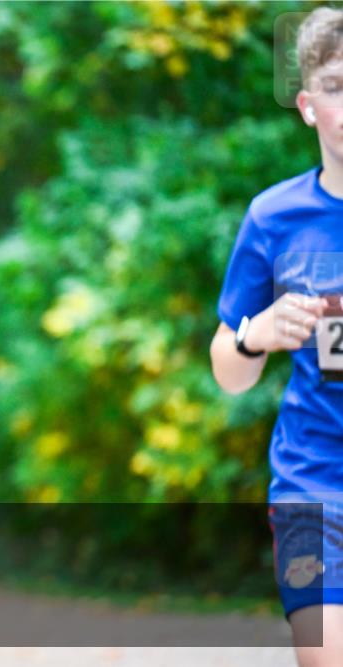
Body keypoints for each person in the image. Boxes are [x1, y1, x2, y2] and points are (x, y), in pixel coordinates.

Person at [209, 8, 343, 666]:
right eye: (338, 85)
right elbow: (228, 370)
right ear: (307, 105)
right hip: (312, 482)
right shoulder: (274, 216)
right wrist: (255, 334)